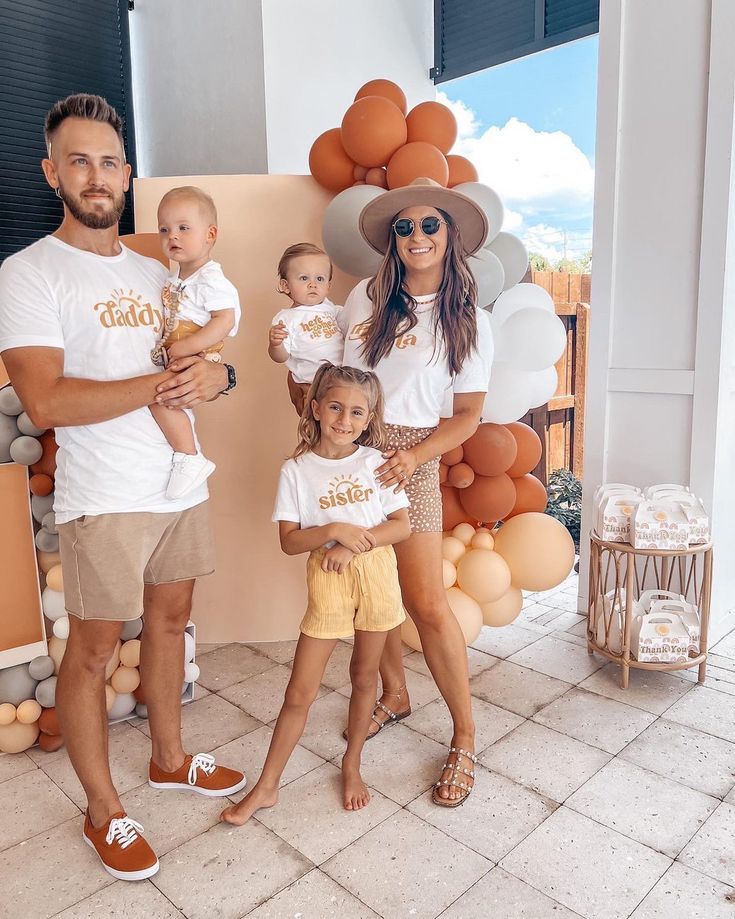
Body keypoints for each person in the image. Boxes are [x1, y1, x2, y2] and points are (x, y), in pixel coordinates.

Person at [0, 94, 244, 882]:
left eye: (108, 161)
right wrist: (156, 385)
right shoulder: (29, 272)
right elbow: (48, 402)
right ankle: (102, 808)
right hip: (104, 494)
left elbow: (207, 358)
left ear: (127, 174)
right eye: (78, 160)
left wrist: (222, 372)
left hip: (178, 481)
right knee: (96, 650)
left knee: (171, 623)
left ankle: (169, 759)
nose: (96, 176)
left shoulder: (159, 269)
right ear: (52, 172)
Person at [338, 177, 494, 808]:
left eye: (431, 225)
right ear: (392, 241)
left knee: (426, 603)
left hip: (415, 457)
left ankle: (464, 737)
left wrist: (413, 458)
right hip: (352, 451)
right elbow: (340, 377)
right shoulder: (364, 300)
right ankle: (395, 696)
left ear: (450, 235)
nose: (418, 236)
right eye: (404, 228)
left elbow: (468, 416)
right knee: (365, 592)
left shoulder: (469, 320)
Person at [220, 363, 410, 825]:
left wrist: (352, 544)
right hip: (327, 580)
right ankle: (267, 787)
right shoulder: (297, 471)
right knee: (298, 692)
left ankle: (352, 765)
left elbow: (401, 526)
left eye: (357, 413)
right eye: (336, 407)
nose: (345, 421)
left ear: (369, 419)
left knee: (365, 678)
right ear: (318, 408)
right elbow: (289, 541)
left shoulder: (375, 464)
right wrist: (333, 531)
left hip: (377, 576)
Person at [150, 185, 241, 499]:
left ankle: (189, 456)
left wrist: (187, 347)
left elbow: (225, 321)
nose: (172, 236)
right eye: (165, 229)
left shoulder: (210, 279)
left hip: (196, 349)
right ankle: (184, 453)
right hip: (179, 345)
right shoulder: (176, 278)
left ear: (210, 234)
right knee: (169, 400)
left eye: (183, 228)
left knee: (162, 397)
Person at [268, 243, 343, 415]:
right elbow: (280, 357)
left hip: (341, 379)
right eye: (304, 278)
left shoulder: (330, 308)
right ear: (285, 286)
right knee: (317, 430)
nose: (313, 284)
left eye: (320, 279)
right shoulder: (286, 319)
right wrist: (275, 344)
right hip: (312, 386)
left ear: (328, 286)